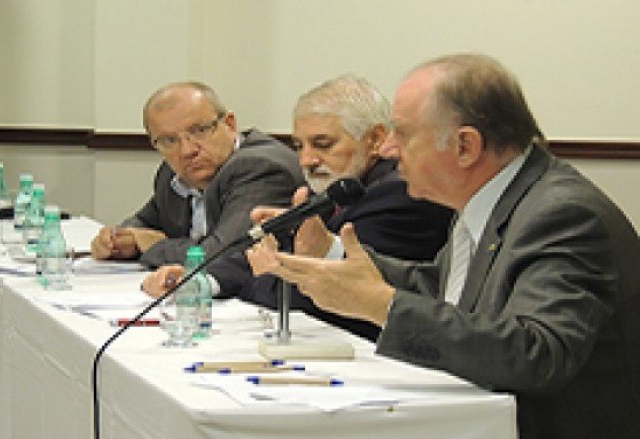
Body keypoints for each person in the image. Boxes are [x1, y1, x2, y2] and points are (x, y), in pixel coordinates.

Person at [255, 54, 640, 438]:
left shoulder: (562, 215)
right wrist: (333, 255)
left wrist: (379, 304)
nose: (388, 149)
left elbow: (537, 353)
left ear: (465, 147)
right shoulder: (493, 198)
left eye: (402, 133)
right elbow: (444, 289)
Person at [141, 75, 453, 341]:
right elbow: (263, 249)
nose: (306, 161)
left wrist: (273, 270)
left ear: (373, 139)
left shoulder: (398, 195)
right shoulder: (340, 188)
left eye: (323, 144)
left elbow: (316, 294)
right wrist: (200, 282)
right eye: (300, 146)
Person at [90, 81, 304, 267]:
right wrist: (117, 240)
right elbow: (143, 221)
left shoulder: (260, 168)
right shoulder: (173, 173)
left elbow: (223, 255)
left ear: (229, 125)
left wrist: (154, 246)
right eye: (169, 140)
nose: (187, 150)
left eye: (199, 131)